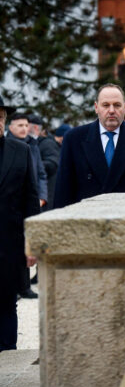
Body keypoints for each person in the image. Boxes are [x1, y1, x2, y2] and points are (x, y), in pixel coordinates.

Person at [54, 83, 125, 208]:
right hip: (87, 215)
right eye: (105, 105)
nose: (111, 110)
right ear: (96, 107)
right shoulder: (74, 139)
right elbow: (63, 189)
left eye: (117, 105)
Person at [0, 96, 40, 351]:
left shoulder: (20, 150)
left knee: (6, 304)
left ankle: (7, 361)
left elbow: (31, 199)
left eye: (0, 117)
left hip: (9, 244)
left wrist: (32, 243)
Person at [29, 114, 60, 211]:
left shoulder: (47, 143)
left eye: (26, 125)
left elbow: (53, 163)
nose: (24, 128)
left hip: (47, 193)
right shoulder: (33, 143)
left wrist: (35, 165)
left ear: (35, 127)